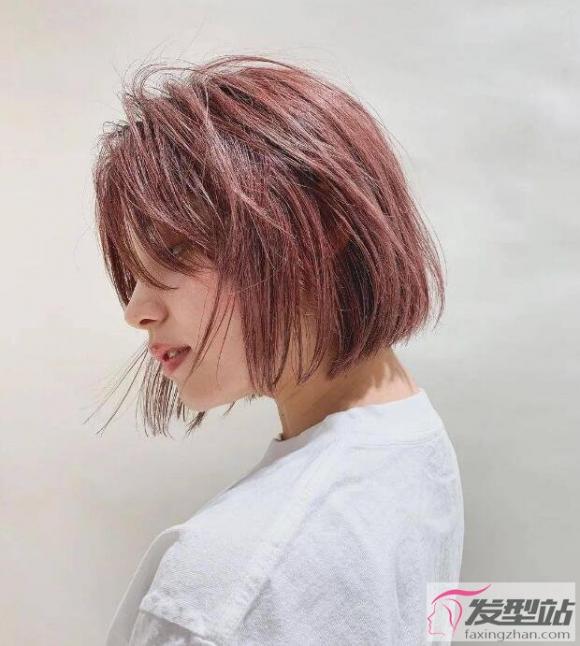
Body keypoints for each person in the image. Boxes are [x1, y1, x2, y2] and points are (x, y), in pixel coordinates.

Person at [93, 53, 464, 645]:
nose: (136, 310)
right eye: (133, 271)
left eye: (173, 251)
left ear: (322, 228)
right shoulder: (410, 432)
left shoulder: (221, 587)